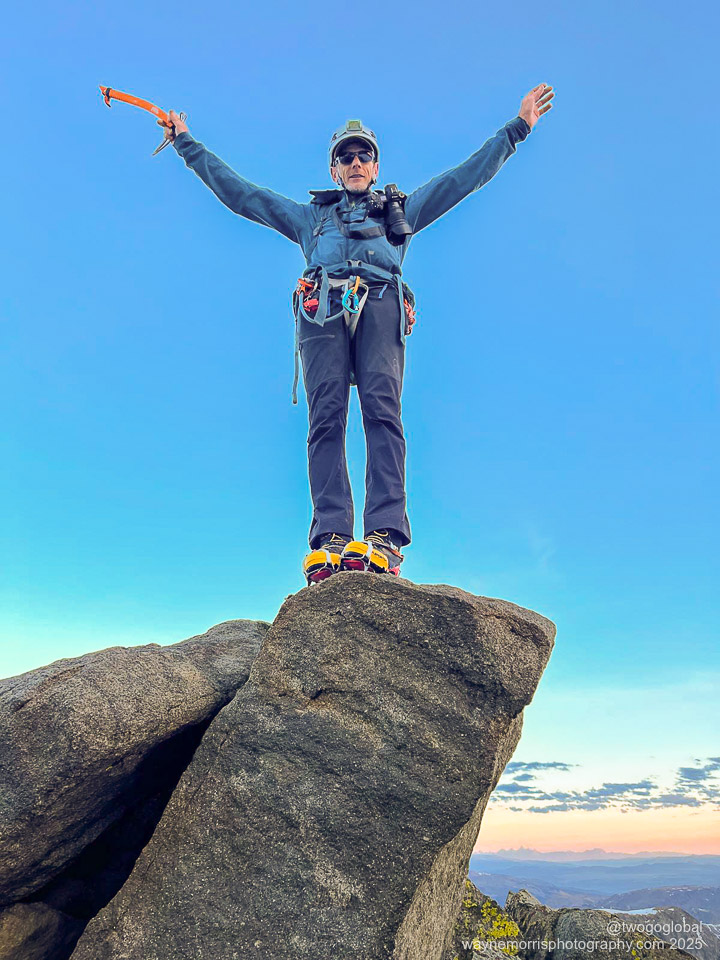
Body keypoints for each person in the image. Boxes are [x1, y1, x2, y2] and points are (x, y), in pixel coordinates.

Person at [161, 83, 554, 584]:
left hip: (382, 302)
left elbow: (463, 179)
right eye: (345, 157)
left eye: (363, 155)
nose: (354, 163)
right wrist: (186, 143)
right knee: (325, 418)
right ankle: (332, 537)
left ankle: (384, 536)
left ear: (375, 165)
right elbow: (243, 195)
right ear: (333, 169)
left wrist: (517, 129)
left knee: (382, 414)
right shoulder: (309, 218)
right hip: (321, 309)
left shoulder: (399, 213)